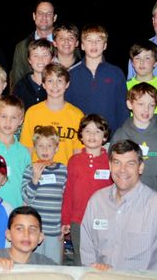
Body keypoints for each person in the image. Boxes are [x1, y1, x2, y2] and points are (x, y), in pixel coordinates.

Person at [81, 140, 157, 271]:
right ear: (110, 166)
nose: (122, 170)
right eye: (117, 162)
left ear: (140, 167)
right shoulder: (97, 202)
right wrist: (93, 270)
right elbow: (87, 252)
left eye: (130, 164)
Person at [61, 114, 113, 266]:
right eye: (88, 131)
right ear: (81, 136)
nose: (92, 135)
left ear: (104, 137)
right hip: (78, 220)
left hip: (104, 219)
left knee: (104, 259)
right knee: (81, 260)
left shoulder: (110, 161)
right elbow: (69, 191)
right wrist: (65, 219)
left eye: (97, 131)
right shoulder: (74, 161)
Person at [111, 83, 157, 198]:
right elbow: (113, 165)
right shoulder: (120, 134)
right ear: (130, 104)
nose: (146, 109)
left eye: (151, 105)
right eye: (141, 104)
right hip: (127, 196)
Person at [66, 24, 128, 132]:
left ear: (105, 45)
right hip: (79, 140)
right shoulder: (71, 74)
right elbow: (66, 109)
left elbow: (123, 110)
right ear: (82, 45)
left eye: (98, 40)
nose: (93, 44)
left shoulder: (116, 73)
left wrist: (119, 137)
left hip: (110, 139)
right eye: (89, 40)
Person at [21, 63, 84, 166]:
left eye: (59, 81)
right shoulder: (32, 113)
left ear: (67, 84)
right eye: (50, 81)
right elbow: (27, 148)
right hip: (38, 174)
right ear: (44, 84)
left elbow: (78, 151)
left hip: (66, 175)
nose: (55, 85)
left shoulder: (77, 115)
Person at [21, 126, 67, 264]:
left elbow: (66, 199)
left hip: (54, 229)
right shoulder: (30, 170)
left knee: (53, 267)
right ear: (34, 148)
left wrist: (64, 223)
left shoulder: (63, 170)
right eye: (40, 146)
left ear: (56, 148)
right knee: (33, 266)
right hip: (34, 230)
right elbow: (25, 198)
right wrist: (35, 179)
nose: (45, 150)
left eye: (49, 146)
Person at [0, 206, 56, 270]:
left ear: (40, 237)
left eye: (32, 229)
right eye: (19, 229)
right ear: (8, 234)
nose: (26, 235)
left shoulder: (46, 265)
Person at [126, 40, 157, 126]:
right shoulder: (124, 86)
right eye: (137, 58)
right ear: (132, 63)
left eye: (147, 58)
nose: (142, 62)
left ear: (156, 63)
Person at [10, 0, 57, 91]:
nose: (44, 17)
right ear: (34, 16)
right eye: (40, 13)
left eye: (49, 13)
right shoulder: (21, 47)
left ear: (54, 17)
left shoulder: (66, 45)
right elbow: (17, 81)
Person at [12, 39, 53, 110]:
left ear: (52, 59)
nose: (40, 59)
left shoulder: (56, 85)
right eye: (35, 55)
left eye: (45, 55)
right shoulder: (21, 86)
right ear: (29, 60)